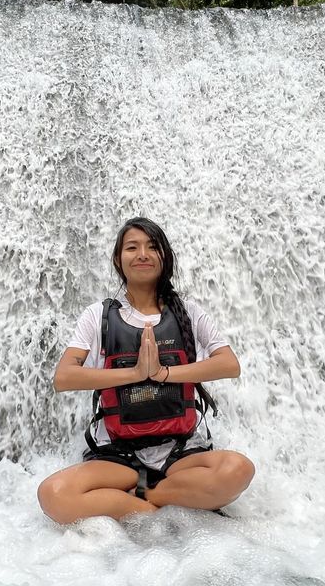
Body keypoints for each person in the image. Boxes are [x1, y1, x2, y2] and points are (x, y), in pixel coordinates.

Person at [37, 217, 255, 524]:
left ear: (164, 257)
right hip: (118, 456)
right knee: (54, 495)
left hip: (180, 454)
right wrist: (136, 373)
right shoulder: (98, 315)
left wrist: (164, 373)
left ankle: (146, 498)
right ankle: (173, 500)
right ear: (118, 259)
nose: (142, 254)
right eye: (132, 247)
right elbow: (64, 377)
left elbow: (229, 365)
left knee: (238, 470)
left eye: (152, 247)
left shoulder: (189, 313)